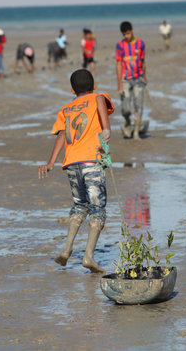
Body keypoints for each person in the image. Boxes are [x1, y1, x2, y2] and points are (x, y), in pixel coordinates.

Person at [38, 69, 114, 274]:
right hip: (92, 161)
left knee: (79, 206)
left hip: (71, 163)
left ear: (72, 90)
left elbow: (61, 135)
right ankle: (88, 257)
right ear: (95, 85)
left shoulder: (66, 108)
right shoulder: (99, 97)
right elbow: (105, 125)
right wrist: (106, 135)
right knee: (97, 209)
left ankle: (66, 249)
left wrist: (50, 163)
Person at [115, 21, 147, 139]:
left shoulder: (140, 44)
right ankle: (128, 122)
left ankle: (136, 132)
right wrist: (119, 84)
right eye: (124, 34)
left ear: (132, 31)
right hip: (125, 80)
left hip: (138, 79)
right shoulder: (120, 46)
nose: (126, 36)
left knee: (139, 105)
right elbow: (118, 64)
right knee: (125, 109)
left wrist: (145, 77)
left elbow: (143, 62)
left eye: (128, 33)